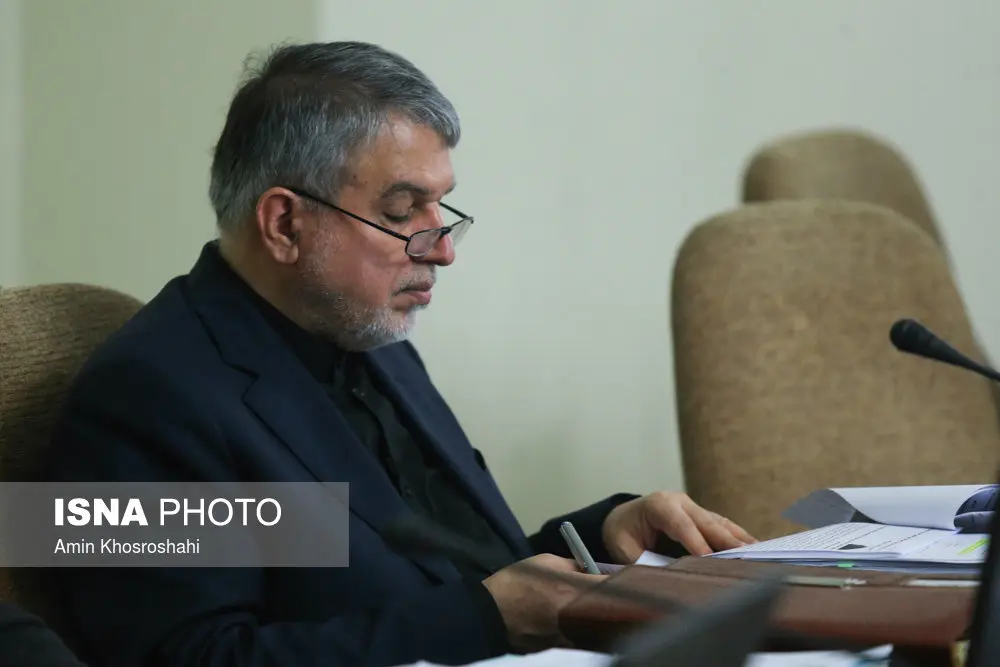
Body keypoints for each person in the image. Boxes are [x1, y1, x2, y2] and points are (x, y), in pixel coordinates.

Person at [45, 41, 755, 667]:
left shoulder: (372, 339)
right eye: (401, 212)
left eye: (441, 207)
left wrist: (602, 533)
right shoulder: (143, 397)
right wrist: (484, 619)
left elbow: (446, 578)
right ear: (285, 223)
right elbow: (195, 657)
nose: (442, 250)